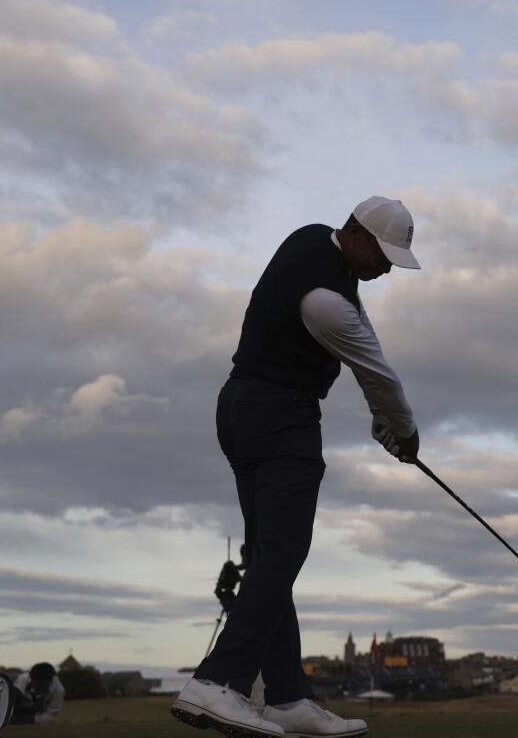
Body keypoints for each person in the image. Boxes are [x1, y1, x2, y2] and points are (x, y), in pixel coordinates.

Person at [172, 196, 422, 738]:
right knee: (284, 552)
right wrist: (403, 431)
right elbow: (376, 372)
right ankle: (218, 683)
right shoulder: (324, 301)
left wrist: (383, 420)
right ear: (356, 235)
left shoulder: (312, 239)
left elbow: (365, 337)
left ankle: (285, 696)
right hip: (282, 416)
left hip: (240, 407)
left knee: (269, 556)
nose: (386, 268)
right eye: (383, 255)